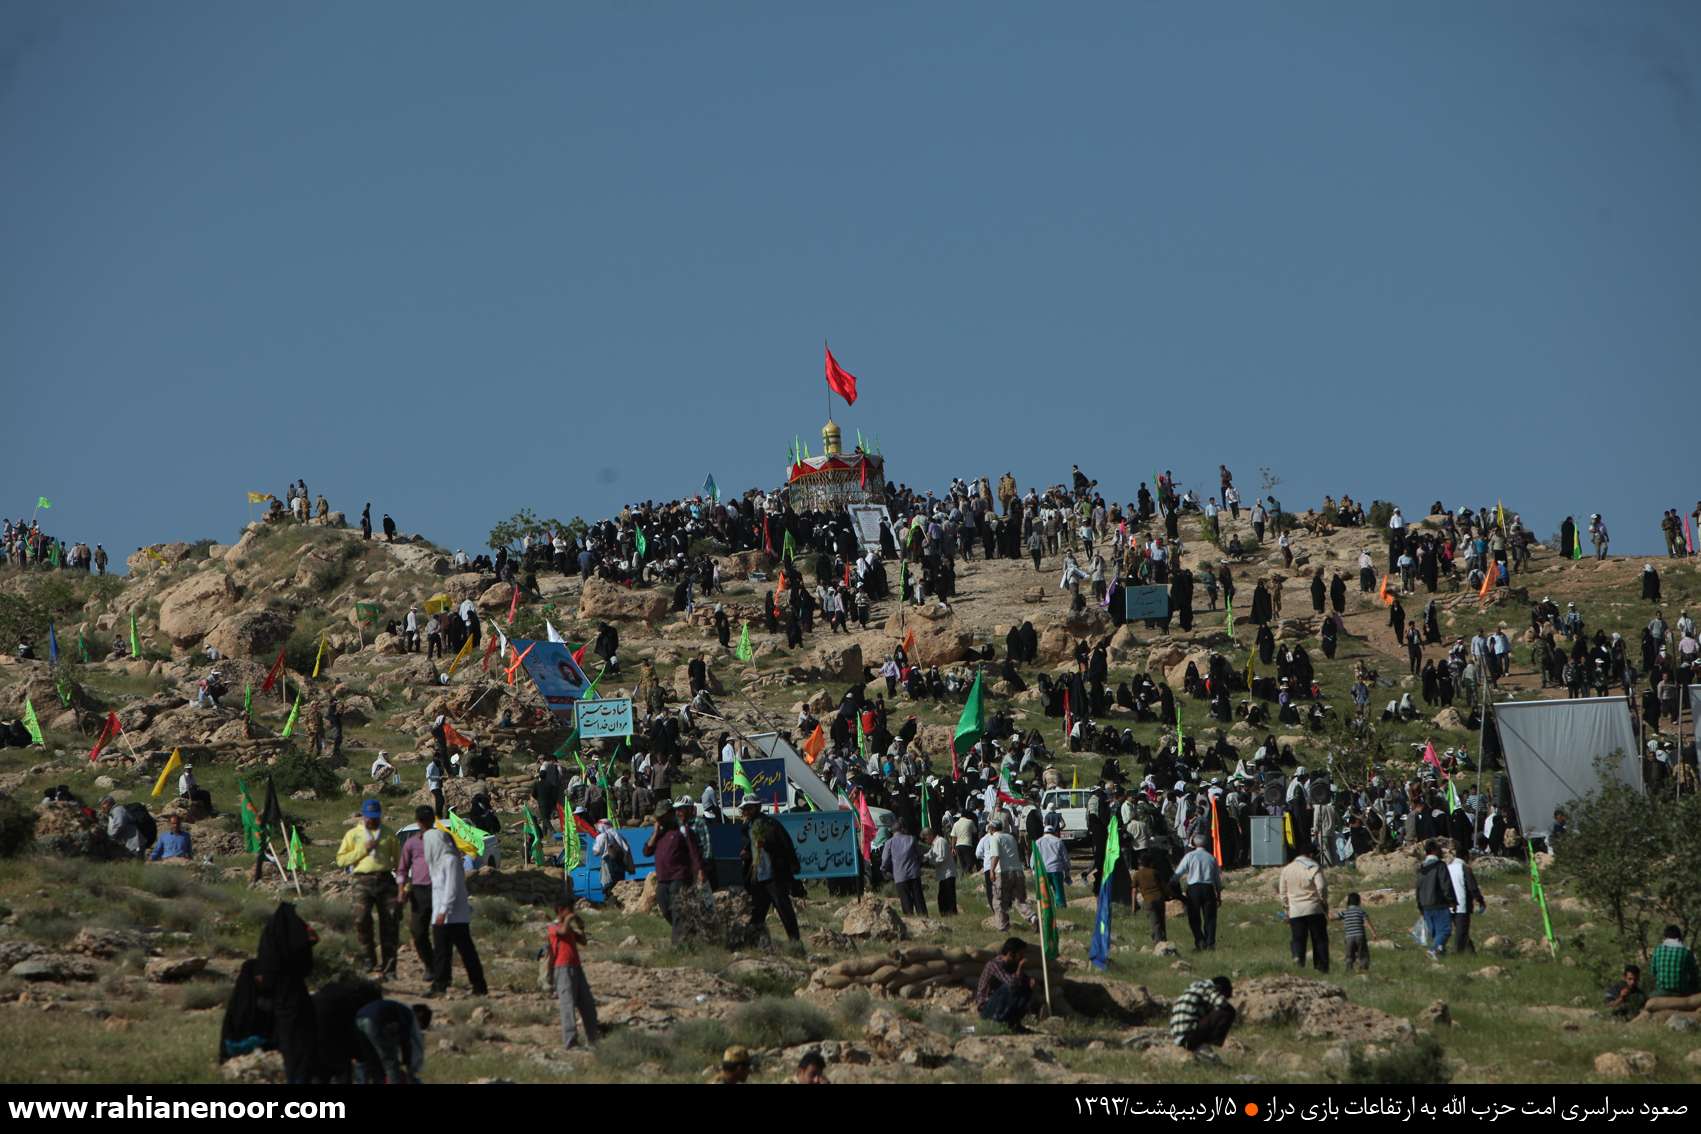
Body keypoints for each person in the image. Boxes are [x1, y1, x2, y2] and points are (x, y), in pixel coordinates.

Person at [425, 814, 487, 997]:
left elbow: (451, 889)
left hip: (453, 916)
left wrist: (443, 911)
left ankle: (479, 986)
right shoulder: (437, 861)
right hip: (442, 915)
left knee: (466, 952)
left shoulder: (450, 860)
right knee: (442, 953)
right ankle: (440, 985)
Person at [336, 799, 400, 979]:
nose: (373, 821)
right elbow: (341, 859)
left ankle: (390, 967)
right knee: (361, 919)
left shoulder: (388, 834)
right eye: (370, 817)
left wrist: (403, 884)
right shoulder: (353, 834)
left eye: (376, 817)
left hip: (385, 879)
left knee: (390, 922)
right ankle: (368, 961)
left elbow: (399, 860)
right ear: (363, 816)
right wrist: (362, 851)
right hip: (362, 880)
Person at [644, 800, 707, 946]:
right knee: (666, 910)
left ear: (670, 815)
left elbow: (694, 852)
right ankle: (688, 931)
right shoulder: (659, 834)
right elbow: (647, 851)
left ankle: (678, 945)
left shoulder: (683, 830)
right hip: (663, 879)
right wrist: (655, 832)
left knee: (678, 911)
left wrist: (700, 871)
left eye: (662, 816)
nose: (659, 819)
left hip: (679, 877)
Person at [741, 798, 803, 941]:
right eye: (744, 809)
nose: (745, 812)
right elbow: (753, 849)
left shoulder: (770, 825)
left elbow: (783, 846)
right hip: (758, 877)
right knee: (757, 912)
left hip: (774, 875)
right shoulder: (748, 827)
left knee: (784, 910)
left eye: (748, 808)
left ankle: (795, 942)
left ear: (756, 808)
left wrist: (766, 844)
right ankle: (753, 943)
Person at [546, 904, 600, 1049]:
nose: (572, 912)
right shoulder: (553, 926)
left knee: (587, 1003)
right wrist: (569, 919)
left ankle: (593, 1040)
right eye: (568, 909)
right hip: (562, 968)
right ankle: (571, 1042)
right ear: (560, 910)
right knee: (567, 1005)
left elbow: (583, 942)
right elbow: (561, 932)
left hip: (576, 967)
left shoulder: (568, 928)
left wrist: (581, 928)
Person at [395, 807, 436, 975]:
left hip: (440, 889)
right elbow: (402, 868)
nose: (425, 824)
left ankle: (441, 969)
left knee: (443, 932)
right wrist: (401, 891)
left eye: (428, 820)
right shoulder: (411, 843)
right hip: (419, 891)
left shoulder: (442, 838)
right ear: (418, 821)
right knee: (418, 931)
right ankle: (430, 964)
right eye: (422, 820)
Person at [1278, 839, 1329, 973]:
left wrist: (1286, 909)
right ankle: (1321, 967)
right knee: (1319, 940)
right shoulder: (1314, 867)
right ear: (1311, 855)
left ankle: (1298, 961)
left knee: (1298, 939)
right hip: (1314, 908)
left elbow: (1282, 893)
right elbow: (1322, 887)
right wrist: (1323, 901)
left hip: (1295, 911)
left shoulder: (1287, 869)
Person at [352, 1000, 430, 1084]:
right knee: (390, 1064)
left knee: (367, 1060)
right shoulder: (408, 1015)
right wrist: (408, 1067)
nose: (417, 1029)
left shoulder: (398, 1008)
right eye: (419, 1026)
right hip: (375, 1021)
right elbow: (406, 1042)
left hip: (359, 1019)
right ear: (419, 1014)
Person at [1173, 832, 1223, 951]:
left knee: (1194, 917)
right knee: (1210, 917)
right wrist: (1218, 894)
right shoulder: (1211, 858)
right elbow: (1217, 878)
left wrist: (1172, 883)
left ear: (1194, 843)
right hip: (1208, 888)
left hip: (1194, 889)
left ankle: (1200, 941)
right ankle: (1210, 943)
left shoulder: (1189, 857)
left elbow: (1178, 872)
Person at [974, 937, 1034, 1031]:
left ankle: (1013, 1024)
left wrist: (1030, 982)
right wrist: (1020, 968)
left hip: (1000, 1007)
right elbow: (1011, 983)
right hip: (987, 1008)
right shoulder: (994, 965)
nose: (1023, 957)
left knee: (1026, 987)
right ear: (1011, 954)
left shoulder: (1012, 965)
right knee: (1010, 987)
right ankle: (996, 1024)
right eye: (1020, 954)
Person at [1169, 976, 1236, 1052]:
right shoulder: (1208, 988)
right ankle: (1212, 1043)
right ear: (1219, 988)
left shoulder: (1192, 989)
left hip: (1179, 1039)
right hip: (1190, 1037)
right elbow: (1221, 1002)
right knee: (1228, 1011)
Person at [1416, 838, 1457, 959]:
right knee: (1444, 930)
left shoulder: (1421, 868)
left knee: (1435, 934)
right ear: (1434, 851)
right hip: (1439, 903)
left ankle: (1440, 956)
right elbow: (1446, 885)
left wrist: (1419, 905)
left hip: (1425, 905)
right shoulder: (1440, 866)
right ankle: (1433, 950)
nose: (1441, 852)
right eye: (1439, 849)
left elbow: (1418, 888)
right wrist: (1452, 901)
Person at [880, 816, 927, 916]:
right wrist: (918, 864)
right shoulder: (911, 839)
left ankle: (910, 919)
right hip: (914, 874)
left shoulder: (889, 843)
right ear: (902, 829)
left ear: (892, 831)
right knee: (918, 899)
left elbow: (884, 860)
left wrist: (883, 870)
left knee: (905, 901)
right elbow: (920, 855)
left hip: (900, 876)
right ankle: (924, 918)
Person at [1447, 847, 1487, 954]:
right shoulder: (1464, 868)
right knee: (1461, 932)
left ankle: (1471, 953)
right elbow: (1472, 887)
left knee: (1462, 931)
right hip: (1461, 904)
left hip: (1448, 904)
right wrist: (1480, 900)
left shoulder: (1447, 867)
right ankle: (1457, 954)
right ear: (1466, 857)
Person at [1651, 925, 1700, 998]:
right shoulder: (1686, 952)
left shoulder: (1657, 950)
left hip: (1661, 991)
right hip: (1681, 992)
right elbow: (1693, 974)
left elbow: (1653, 972)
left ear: (1665, 937)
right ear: (1679, 937)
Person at [1133, 850, 1169, 943]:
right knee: (1161, 921)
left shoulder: (1137, 874)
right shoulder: (1155, 872)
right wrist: (1168, 895)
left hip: (1148, 900)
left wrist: (1134, 905)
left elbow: (1134, 891)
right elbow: (1163, 886)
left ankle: (1157, 942)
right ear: (1151, 862)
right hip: (1159, 898)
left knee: (1154, 922)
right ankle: (1164, 940)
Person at [924, 827, 958, 915]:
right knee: (942, 897)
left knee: (949, 897)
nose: (925, 840)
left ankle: (951, 914)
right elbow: (929, 854)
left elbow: (941, 857)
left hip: (948, 874)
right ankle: (945, 914)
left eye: (925, 838)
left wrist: (930, 862)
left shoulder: (941, 841)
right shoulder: (934, 844)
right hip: (942, 875)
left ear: (930, 835)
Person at [1338, 892, 1374, 971]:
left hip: (1349, 938)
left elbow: (1332, 918)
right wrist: (1373, 933)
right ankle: (1364, 969)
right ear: (1358, 901)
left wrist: (1325, 909)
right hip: (1360, 936)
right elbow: (1367, 923)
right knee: (1363, 954)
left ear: (1348, 902)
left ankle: (1349, 969)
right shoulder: (1361, 911)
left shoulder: (1344, 912)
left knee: (1349, 955)